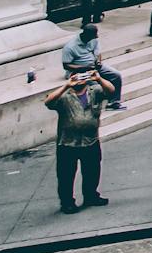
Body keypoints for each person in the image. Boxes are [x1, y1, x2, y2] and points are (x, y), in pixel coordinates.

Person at [46, 69, 112, 213]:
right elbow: (48, 102)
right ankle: (67, 202)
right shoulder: (64, 96)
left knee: (92, 170)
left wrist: (99, 79)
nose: (79, 79)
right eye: (76, 76)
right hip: (68, 142)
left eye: (83, 76)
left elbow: (111, 90)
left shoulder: (95, 91)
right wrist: (66, 85)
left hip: (90, 140)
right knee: (66, 175)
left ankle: (91, 196)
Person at [61, 24, 123, 110]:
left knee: (116, 75)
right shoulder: (70, 47)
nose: (96, 37)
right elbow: (66, 65)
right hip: (79, 71)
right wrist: (83, 67)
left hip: (94, 67)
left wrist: (98, 61)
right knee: (97, 86)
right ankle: (94, 107)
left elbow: (98, 53)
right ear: (86, 34)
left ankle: (113, 102)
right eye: (94, 35)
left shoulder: (94, 40)